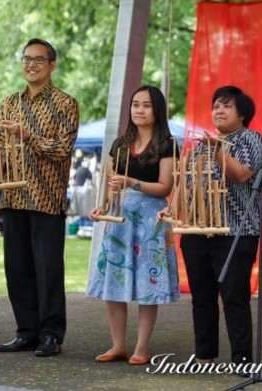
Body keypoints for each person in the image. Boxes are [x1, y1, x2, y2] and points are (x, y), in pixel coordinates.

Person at [158, 85, 262, 365]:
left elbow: (242, 174)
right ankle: (205, 354)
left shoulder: (252, 139)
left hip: (236, 230)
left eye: (227, 106)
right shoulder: (200, 147)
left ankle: (242, 357)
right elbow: (188, 184)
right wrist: (173, 210)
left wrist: (217, 150)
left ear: (242, 113)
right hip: (198, 231)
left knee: (234, 295)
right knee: (202, 296)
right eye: (216, 106)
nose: (219, 110)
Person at [0, 38, 79, 357]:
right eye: (26, 59)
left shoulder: (65, 103)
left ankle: (51, 334)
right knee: (17, 269)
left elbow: (61, 150)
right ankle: (26, 332)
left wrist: (27, 136)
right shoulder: (9, 102)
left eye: (38, 60)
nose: (30, 65)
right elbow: (2, 148)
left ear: (52, 65)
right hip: (13, 196)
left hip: (46, 196)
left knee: (48, 270)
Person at [88, 86, 179, 365]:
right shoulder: (120, 144)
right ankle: (118, 345)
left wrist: (132, 183)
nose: (139, 110)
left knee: (147, 283)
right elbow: (111, 184)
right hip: (120, 219)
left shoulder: (167, 144)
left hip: (150, 220)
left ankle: (141, 347)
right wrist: (102, 206)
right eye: (135, 104)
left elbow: (166, 186)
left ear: (158, 110)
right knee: (113, 282)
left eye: (146, 105)